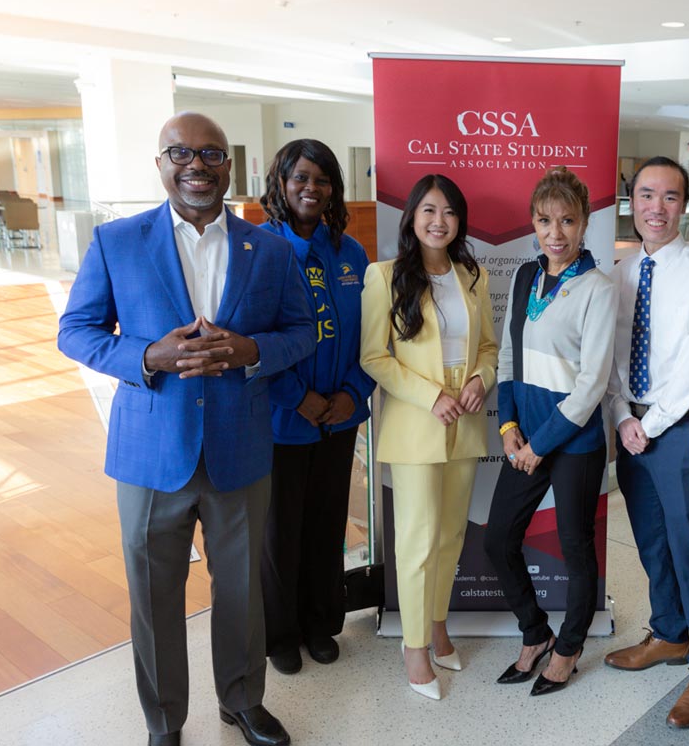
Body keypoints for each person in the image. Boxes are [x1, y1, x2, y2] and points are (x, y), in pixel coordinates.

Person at [57, 112, 315, 746]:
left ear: (230, 166)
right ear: (160, 163)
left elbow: (302, 332)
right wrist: (148, 357)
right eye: (180, 153)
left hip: (241, 447)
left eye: (211, 154)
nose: (195, 165)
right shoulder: (116, 242)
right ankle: (164, 722)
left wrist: (251, 351)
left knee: (242, 593)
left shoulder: (271, 248)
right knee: (153, 600)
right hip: (150, 454)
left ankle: (242, 702)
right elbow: (76, 331)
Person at [603, 156, 689, 729]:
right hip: (627, 424)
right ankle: (670, 634)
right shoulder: (615, 271)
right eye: (647, 195)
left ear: (686, 204)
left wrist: (647, 424)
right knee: (652, 544)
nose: (657, 208)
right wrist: (619, 415)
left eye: (671, 197)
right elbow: (606, 354)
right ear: (633, 201)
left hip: (676, 429)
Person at [360, 174, 498, 700]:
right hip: (418, 425)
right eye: (429, 211)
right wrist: (430, 396)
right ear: (413, 218)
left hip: (465, 419)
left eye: (449, 212)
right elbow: (374, 357)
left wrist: (482, 381)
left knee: (450, 536)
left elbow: (488, 346)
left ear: (459, 221)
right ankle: (414, 646)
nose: (439, 221)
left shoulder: (472, 274)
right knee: (416, 540)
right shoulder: (385, 276)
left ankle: (437, 624)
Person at [483, 167, 616, 696]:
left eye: (567, 220)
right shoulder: (523, 277)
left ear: (584, 223)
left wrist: (540, 444)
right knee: (498, 540)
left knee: (575, 548)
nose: (555, 232)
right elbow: (510, 355)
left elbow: (592, 384)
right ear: (532, 223)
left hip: (575, 441)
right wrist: (509, 426)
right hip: (527, 434)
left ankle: (569, 646)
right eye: (544, 220)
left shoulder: (598, 289)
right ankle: (535, 633)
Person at [258, 139, 376, 675]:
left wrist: (352, 392)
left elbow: (372, 337)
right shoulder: (258, 248)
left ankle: (320, 622)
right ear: (281, 184)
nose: (312, 188)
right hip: (283, 419)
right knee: (280, 531)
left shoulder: (349, 252)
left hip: (340, 415)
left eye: (323, 179)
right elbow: (250, 341)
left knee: (328, 526)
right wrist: (298, 398)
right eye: (301, 177)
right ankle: (279, 632)